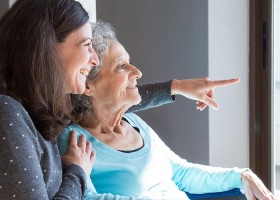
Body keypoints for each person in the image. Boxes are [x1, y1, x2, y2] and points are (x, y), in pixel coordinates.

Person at [0, 0, 241, 199]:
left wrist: (176, 88)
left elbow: (107, 102)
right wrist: (76, 171)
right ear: (47, 48)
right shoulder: (9, 114)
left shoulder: (41, 111)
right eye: (86, 45)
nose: (93, 59)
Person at [58, 21, 276, 200]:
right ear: (88, 85)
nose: (137, 72)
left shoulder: (135, 124)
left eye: (130, 62)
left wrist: (240, 176)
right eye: (121, 66)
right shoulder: (74, 141)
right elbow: (87, 198)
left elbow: (181, 173)